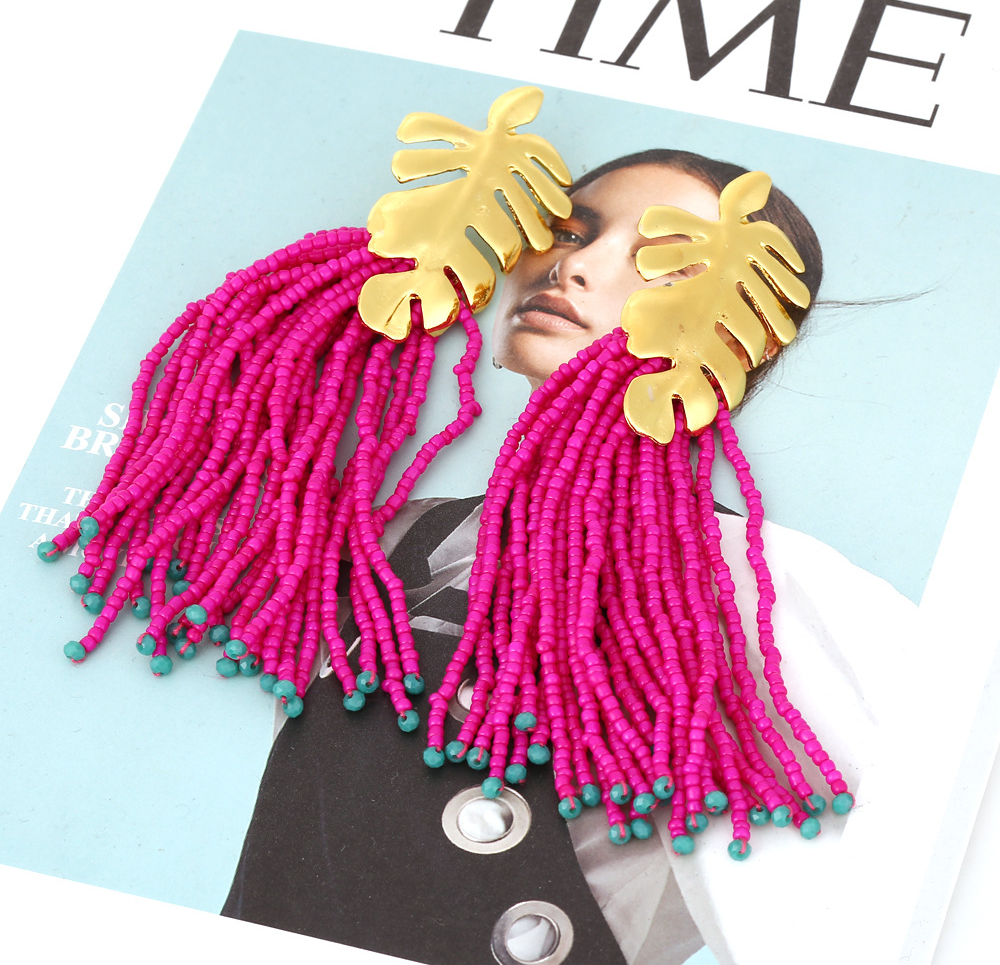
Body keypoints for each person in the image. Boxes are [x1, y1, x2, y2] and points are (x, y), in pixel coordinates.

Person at [220, 150, 916, 965]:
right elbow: (210, 505)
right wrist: (388, 269)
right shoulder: (394, 541)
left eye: (663, 260)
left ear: (740, 333)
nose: (574, 266)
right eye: (568, 231)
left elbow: (929, 835)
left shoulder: (750, 582)